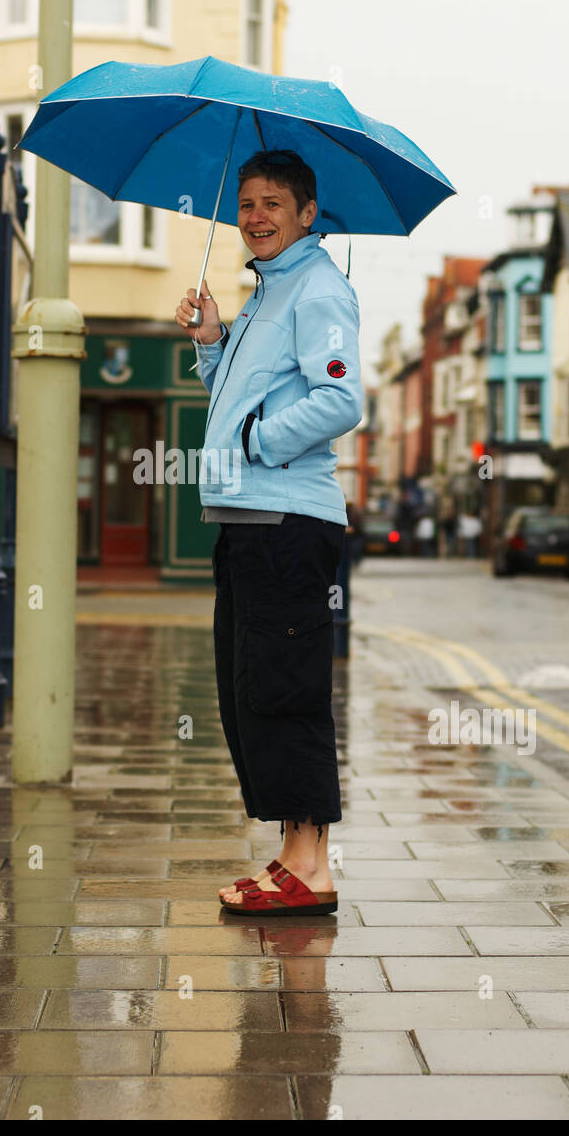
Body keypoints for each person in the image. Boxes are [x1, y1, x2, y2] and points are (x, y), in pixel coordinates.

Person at [175, 148, 362, 918]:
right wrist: (212, 341)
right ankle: (291, 854)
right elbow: (235, 397)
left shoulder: (317, 288)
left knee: (285, 693)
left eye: (272, 204)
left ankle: (311, 866)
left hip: (288, 521)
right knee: (255, 694)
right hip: (249, 519)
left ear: (306, 213)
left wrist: (253, 443)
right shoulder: (265, 294)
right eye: (247, 203)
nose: (255, 216)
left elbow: (339, 402)